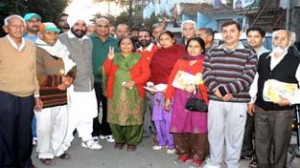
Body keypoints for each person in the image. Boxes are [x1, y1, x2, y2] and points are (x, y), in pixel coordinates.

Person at [203, 21, 257, 168]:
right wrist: (218, 92)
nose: (228, 34)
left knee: (235, 135)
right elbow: (207, 74)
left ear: (240, 33)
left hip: (237, 101)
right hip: (216, 100)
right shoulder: (212, 52)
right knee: (215, 133)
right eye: (225, 31)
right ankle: (214, 162)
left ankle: (232, 163)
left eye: (232, 31)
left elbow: (247, 77)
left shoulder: (249, 53)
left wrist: (227, 91)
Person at [247, 29, 300, 168]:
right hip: (261, 108)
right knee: (261, 141)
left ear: (290, 42)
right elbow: (255, 80)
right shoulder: (263, 58)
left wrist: (291, 100)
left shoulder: (296, 61)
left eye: (283, 39)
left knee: (280, 142)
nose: (279, 42)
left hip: (283, 111)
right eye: (276, 38)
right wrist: (251, 100)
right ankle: (263, 165)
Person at [0, 14, 42, 168]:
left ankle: (25, 163)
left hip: (27, 96)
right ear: (5, 28)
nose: (18, 28)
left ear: (25, 28)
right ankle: (7, 164)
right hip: (5, 95)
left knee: (25, 133)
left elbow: (34, 72)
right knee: (6, 132)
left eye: (21, 26)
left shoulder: (31, 46)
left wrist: (36, 95)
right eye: (14, 25)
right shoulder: (1, 44)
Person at [35, 22, 76, 166]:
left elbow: (72, 65)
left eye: (54, 32)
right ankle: (44, 152)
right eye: (48, 32)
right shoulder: (36, 49)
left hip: (63, 93)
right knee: (45, 125)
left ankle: (58, 149)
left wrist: (70, 77)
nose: (52, 35)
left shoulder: (62, 48)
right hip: (45, 94)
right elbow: (37, 73)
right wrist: (59, 81)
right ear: (41, 34)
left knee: (61, 124)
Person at [165, 37, 209, 167]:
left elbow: (209, 81)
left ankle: (198, 155)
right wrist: (168, 97)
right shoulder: (181, 61)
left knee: (198, 126)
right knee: (181, 125)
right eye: (190, 46)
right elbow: (172, 79)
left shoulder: (206, 62)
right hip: (180, 98)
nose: (193, 49)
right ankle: (183, 153)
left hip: (198, 99)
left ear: (202, 48)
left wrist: (196, 87)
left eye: (196, 46)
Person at [59, 15, 102, 150]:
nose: (80, 28)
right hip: (72, 85)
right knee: (71, 115)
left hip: (88, 84)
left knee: (88, 114)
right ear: (71, 24)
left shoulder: (88, 41)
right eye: (77, 24)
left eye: (83, 25)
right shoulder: (62, 39)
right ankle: (64, 141)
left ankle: (86, 138)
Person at [103, 37, 150, 152]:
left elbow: (147, 74)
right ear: (119, 46)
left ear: (133, 46)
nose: (126, 46)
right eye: (123, 43)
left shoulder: (139, 58)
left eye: (129, 43)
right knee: (115, 117)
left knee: (134, 117)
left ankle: (132, 141)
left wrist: (134, 81)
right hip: (115, 91)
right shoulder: (114, 57)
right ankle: (119, 139)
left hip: (134, 90)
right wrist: (109, 60)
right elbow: (107, 72)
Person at [149, 31, 187, 154]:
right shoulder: (157, 53)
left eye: (167, 39)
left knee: (169, 118)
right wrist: (151, 84)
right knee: (158, 117)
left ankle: (172, 143)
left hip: (173, 90)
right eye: (161, 39)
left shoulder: (180, 51)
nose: (164, 42)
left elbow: (182, 72)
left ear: (173, 40)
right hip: (159, 90)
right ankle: (162, 141)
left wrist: (170, 87)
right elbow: (153, 71)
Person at [241, 27, 269, 167]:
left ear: (263, 39)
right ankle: (246, 151)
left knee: (259, 131)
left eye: (256, 36)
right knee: (245, 126)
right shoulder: (243, 53)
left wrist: (253, 99)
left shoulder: (267, 55)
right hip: (242, 95)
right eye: (249, 36)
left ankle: (258, 157)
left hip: (259, 97)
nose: (252, 39)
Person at [91, 17, 118, 143]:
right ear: (95, 27)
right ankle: (95, 131)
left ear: (109, 27)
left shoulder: (115, 41)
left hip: (110, 80)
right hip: (93, 79)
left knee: (109, 106)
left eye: (105, 26)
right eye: (99, 26)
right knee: (93, 106)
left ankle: (107, 130)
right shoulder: (89, 40)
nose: (102, 29)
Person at [136, 29, 159, 137]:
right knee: (142, 109)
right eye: (140, 36)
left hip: (152, 86)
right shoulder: (137, 52)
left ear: (151, 37)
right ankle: (144, 131)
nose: (143, 38)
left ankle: (157, 133)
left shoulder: (157, 50)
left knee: (154, 109)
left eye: (146, 36)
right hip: (140, 85)